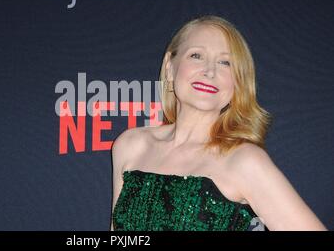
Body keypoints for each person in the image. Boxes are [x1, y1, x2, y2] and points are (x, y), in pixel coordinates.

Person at [110, 15, 327, 231]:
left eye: (225, 63)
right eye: (196, 56)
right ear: (169, 66)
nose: (210, 71)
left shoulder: (243, 161)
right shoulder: (130, 145)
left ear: (238, 80)